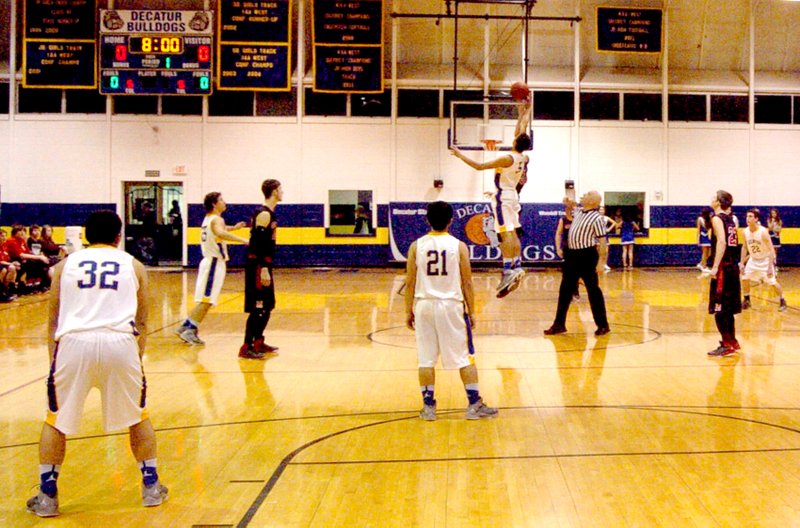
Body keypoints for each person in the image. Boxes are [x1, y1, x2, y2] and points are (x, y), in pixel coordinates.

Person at [25, 211, 167, 518]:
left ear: (86, 236)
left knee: (55, 419)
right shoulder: (134, 265)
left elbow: (53, 320)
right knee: (138, 415)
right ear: (118, 236)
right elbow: (142, 319)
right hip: (120, 342)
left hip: (74, 343)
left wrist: (55, 359)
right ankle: (151, 488)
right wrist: (135, 356)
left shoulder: (63, 266)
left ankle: (47, 496)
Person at [404, 201, 498, 421]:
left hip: (424, 305)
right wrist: (472, 311)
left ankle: (428, 408)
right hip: (451, 306)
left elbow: (409, 282)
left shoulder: (416, 246)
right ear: (451, 221)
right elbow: (467, 282)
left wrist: (408, 310)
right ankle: (474, 404)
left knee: (426, 359)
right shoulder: (459, 246)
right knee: (464, 357)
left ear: (427, 219)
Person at [450, 102, 532, 298]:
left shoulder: (507, 159)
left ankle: (507, 270)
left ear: (515, 142)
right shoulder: (524, 158)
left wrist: (460, 155)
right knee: (512, 231)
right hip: (512, 195)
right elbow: (521, 131)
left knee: (506, 233)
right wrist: (524, 113)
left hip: (503, 197)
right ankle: (517, 265)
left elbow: (479, 166)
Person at [176, 192, 248, 345]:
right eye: (221, 199)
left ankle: (186, 326)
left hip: (208, 261)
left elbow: (219, 229)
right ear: (214, 204)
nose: (224, 202)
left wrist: (234, 228)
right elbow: (220, 232)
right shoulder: (217, 219)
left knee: (205, 299)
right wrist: (243, 240)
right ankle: (190, 330)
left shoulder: (208, 219)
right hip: (214, 262)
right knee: (207, 300)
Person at [544, 190, 611, 337]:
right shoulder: (579, 212)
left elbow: (602, 242)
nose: (583, 195)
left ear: (593, 201)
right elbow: (569, 211)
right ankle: (559, 324)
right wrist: (567, 204)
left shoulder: (597, 218)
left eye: (586, 194)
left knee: (593, 291)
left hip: (587, 256)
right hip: (571, 255)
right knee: (565, 291)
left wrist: (601, 262)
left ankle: (603, 325)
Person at [240, 179, 283, 359]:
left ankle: (258, 341)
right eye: (280, 189)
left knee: (268, 306)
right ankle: (246, 346)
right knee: (258, 307)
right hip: (258, 265)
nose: (282, 192)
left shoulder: (270, 214)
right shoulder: (263, 214)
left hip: (265, 264)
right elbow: (256, 244)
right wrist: (264, 268)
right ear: (273, 191)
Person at [706, 190, 742, 357]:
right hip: (732, 267)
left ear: (719, 202)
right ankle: (732, 341)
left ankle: (727, 344)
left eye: (714, 197)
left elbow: (721, 241)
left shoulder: (717, 218)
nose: (711, 199)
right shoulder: (731, 219)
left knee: (719, 308)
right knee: (728, 309)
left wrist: (714, 267)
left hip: (724, 269)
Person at [740, 208, 787, 312]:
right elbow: (744, 247)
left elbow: (771, 250)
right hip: (753, 259)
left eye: (751, 216)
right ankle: (747, 299)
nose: (748, 218)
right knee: (744, 278)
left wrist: (770, 267)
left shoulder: (763, 232)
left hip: (765, 260)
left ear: (756, 219)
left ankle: (782, 300)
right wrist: (742, 262)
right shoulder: (745, 231)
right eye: (747, 216)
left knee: (772, 282)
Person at [5, 224, 51, 291]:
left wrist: (40, 256)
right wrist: (39, 257)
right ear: (15, 232)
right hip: (14, 260)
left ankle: (39, 283)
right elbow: (21, 255)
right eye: (20, 231)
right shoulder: (12, 241)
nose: (23, 232)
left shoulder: (22, 241)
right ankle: (30, 283)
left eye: (23, 230)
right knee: (35, 262)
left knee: (39, 262)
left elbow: (28, 252)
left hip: (22, 260)